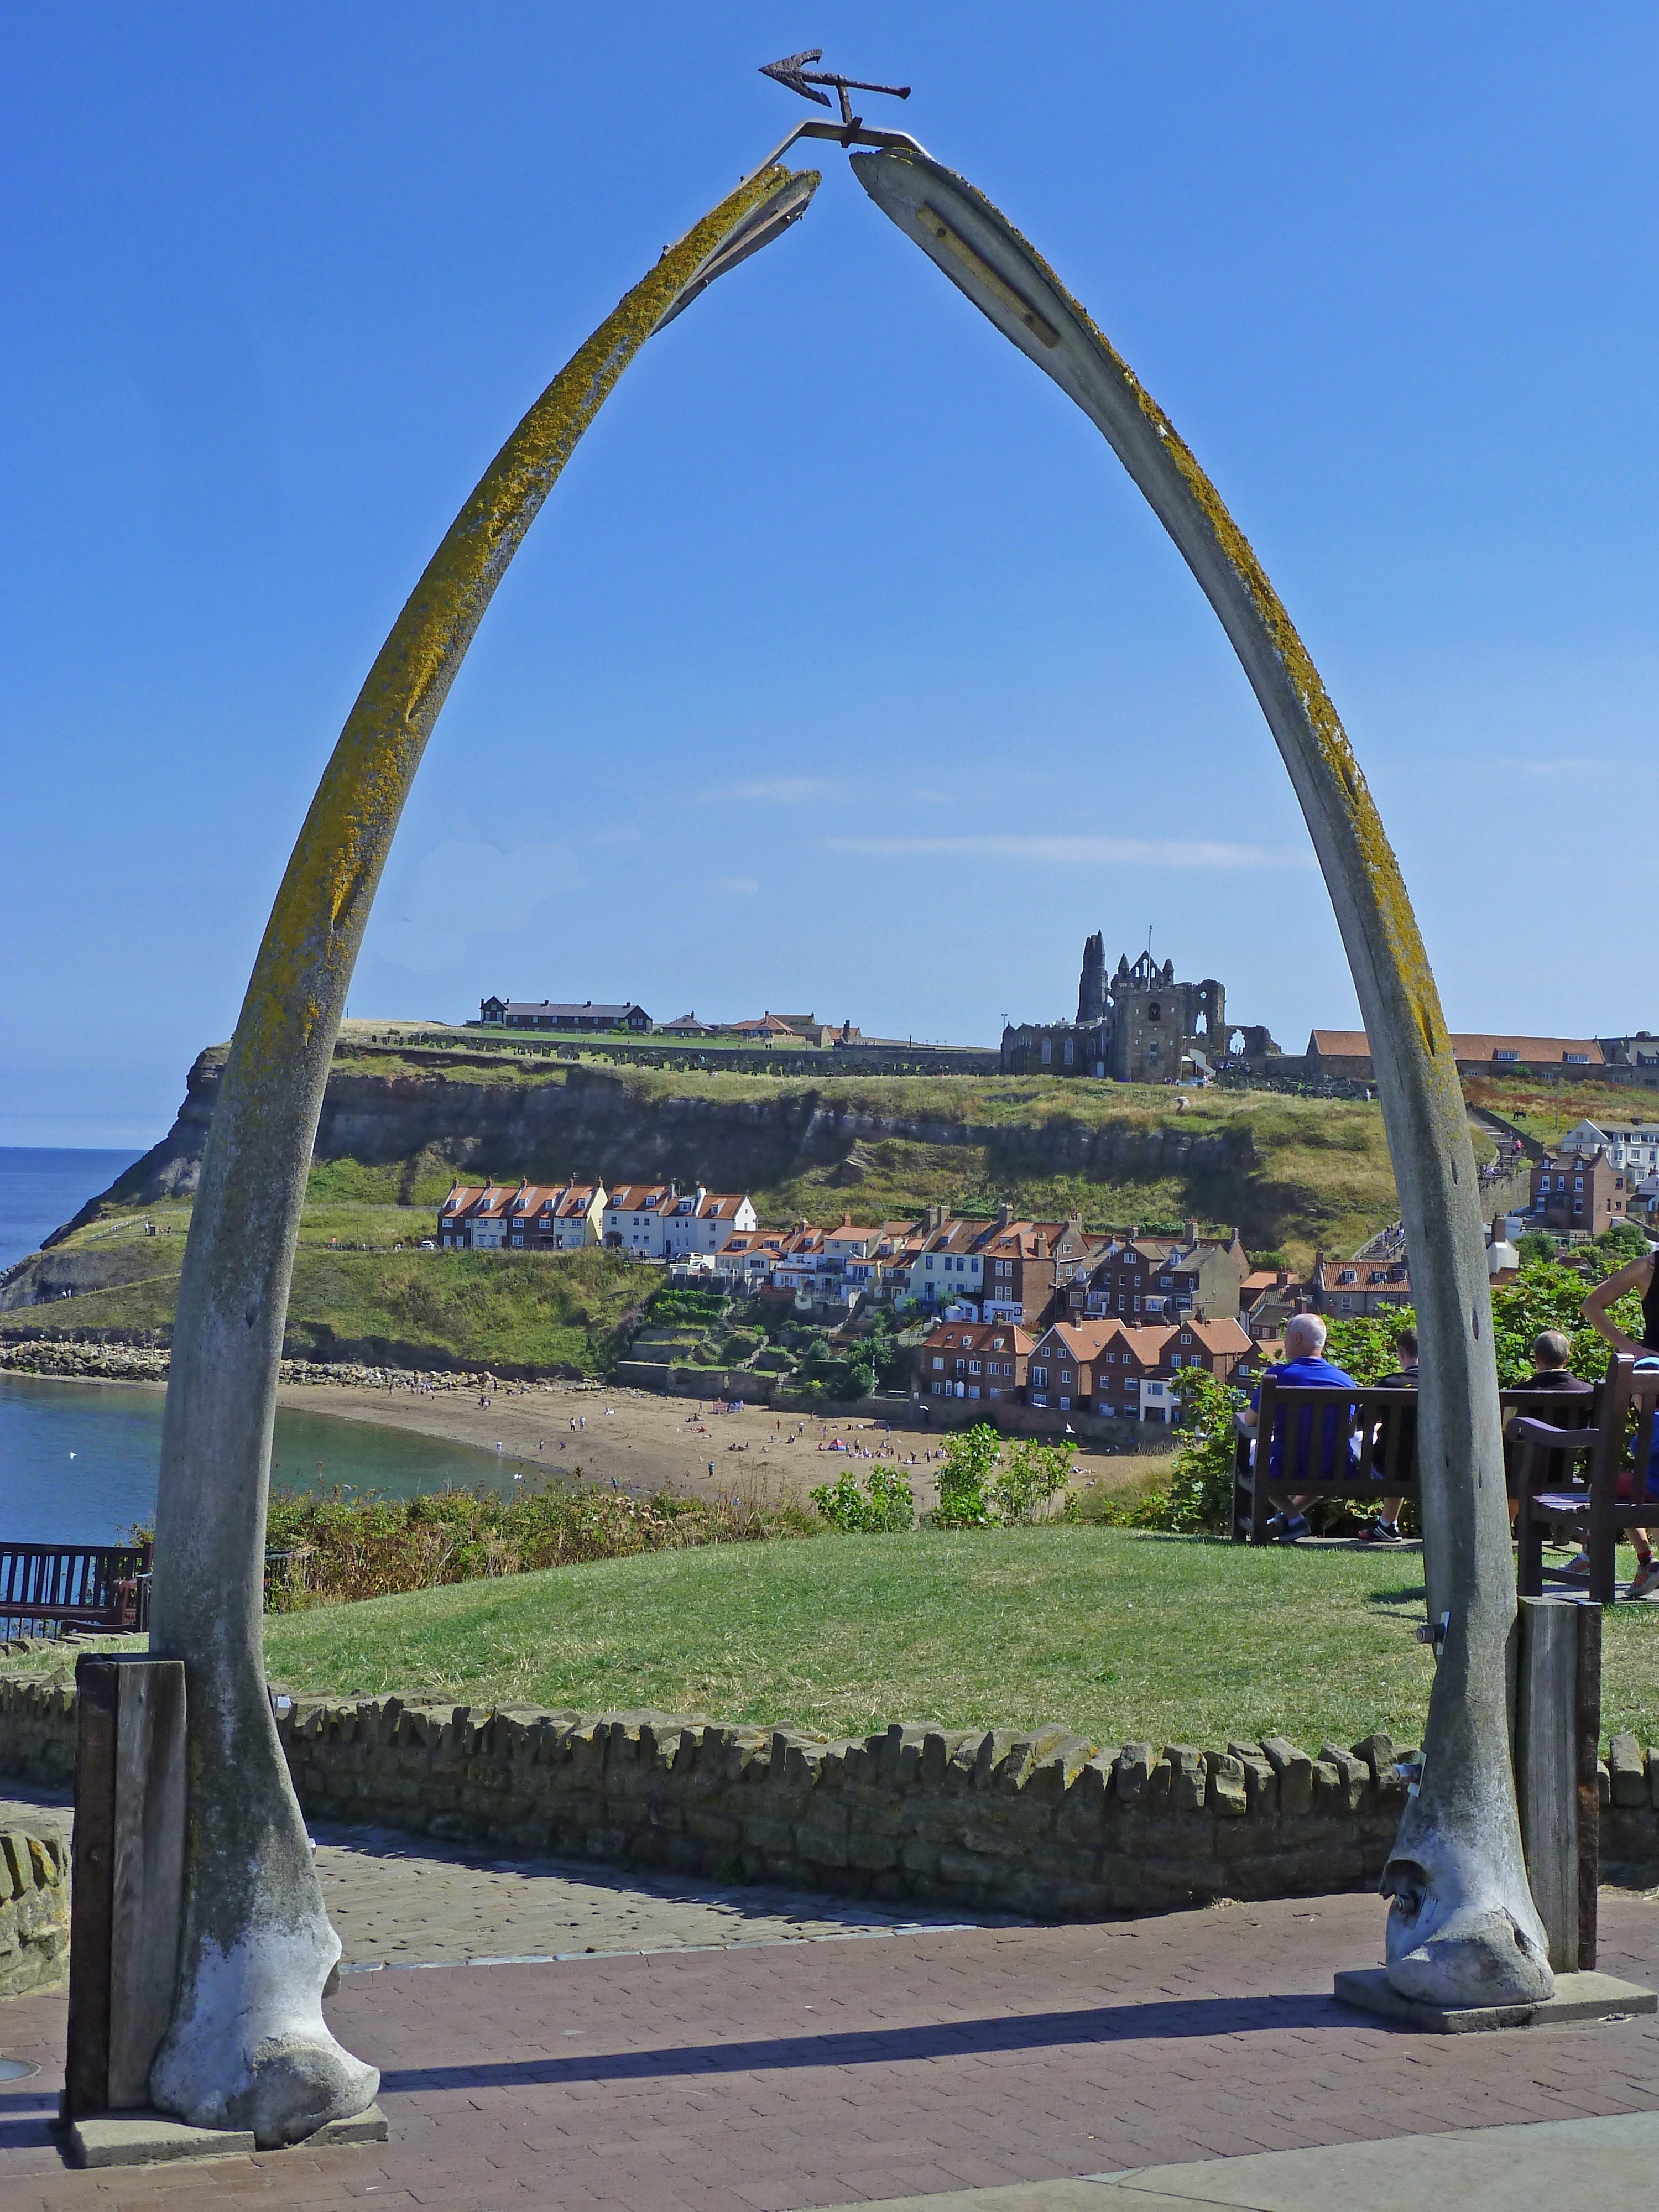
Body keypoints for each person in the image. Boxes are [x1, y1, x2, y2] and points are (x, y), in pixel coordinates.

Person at [1240, 1312, 1357, 1542]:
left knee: (1253, 1456)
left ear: (1296, 1340)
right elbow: (1350, 1431)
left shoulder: (1277, 1376)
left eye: (1286, 1337)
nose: (1284, 1344)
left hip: (1287, 1466)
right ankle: (1287, 1519)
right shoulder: (1345, 1381)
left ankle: (1294, 1519)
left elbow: (1250, 1421)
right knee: (1322, 1467)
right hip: (1334, 1469)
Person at [1579, 1262, 1659, 1597]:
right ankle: (1645, 1562)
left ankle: (1641, 1560)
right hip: (1653, 1371)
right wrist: (1634, 1350)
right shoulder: (1648, 1267)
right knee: (1642, 1476)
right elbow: (1592, 1305)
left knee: (1620, 1484)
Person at [1358, 1326, 1418, 1544]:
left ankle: (1388, 1524)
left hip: (1389, 1468)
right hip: (1438, 1467)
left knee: (1389, 1452)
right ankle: (1386, 1524)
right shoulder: (1445, 1387)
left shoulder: (1390, 1383)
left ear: (1402, 1353)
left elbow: (1360, 1424)